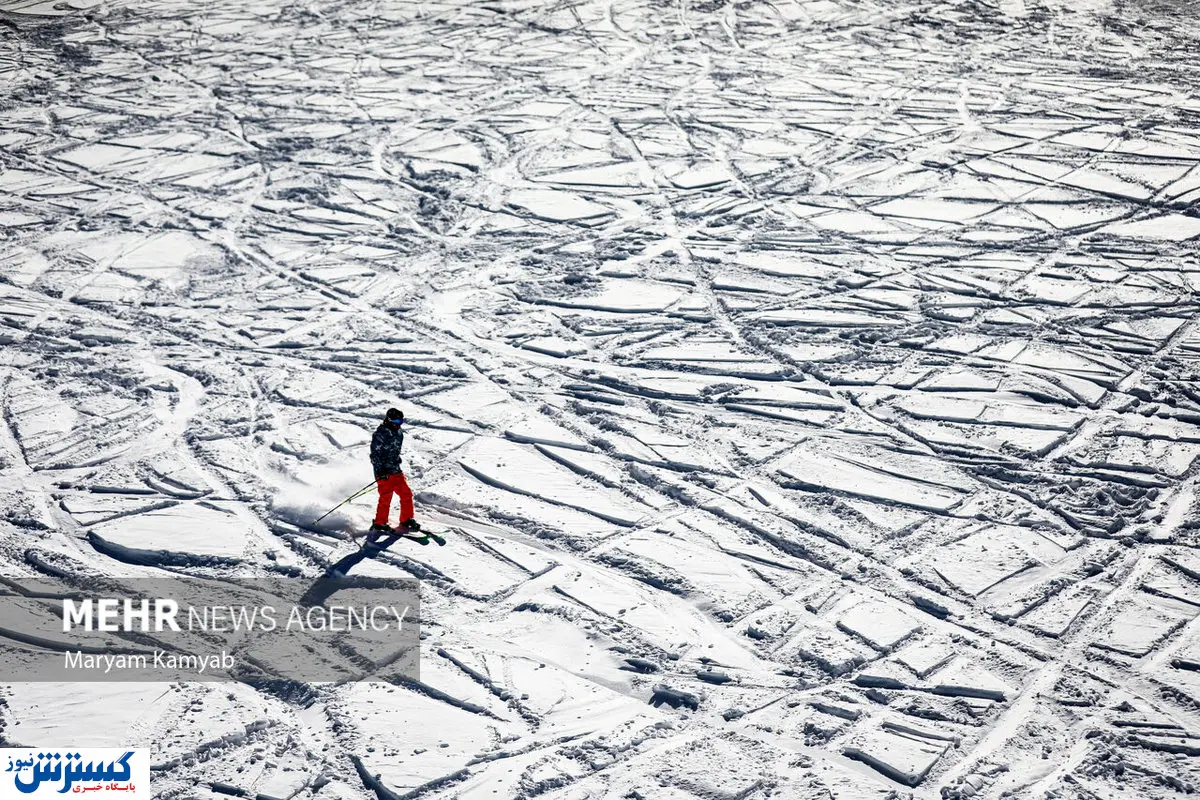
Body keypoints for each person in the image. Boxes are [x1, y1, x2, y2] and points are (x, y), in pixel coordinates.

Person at [369, 407, 421, 538]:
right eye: (397, 421)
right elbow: (375, 455)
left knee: (406, 493)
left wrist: (396, 459)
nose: (399, 424)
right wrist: (380, 471)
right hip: (383, 472)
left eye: (401, 421)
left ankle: (406, 519)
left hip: (395, 469)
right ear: (389, 419)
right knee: (386, 496)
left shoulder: (399, 433)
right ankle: (380, 523)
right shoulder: (380, 434)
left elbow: (395, 450)